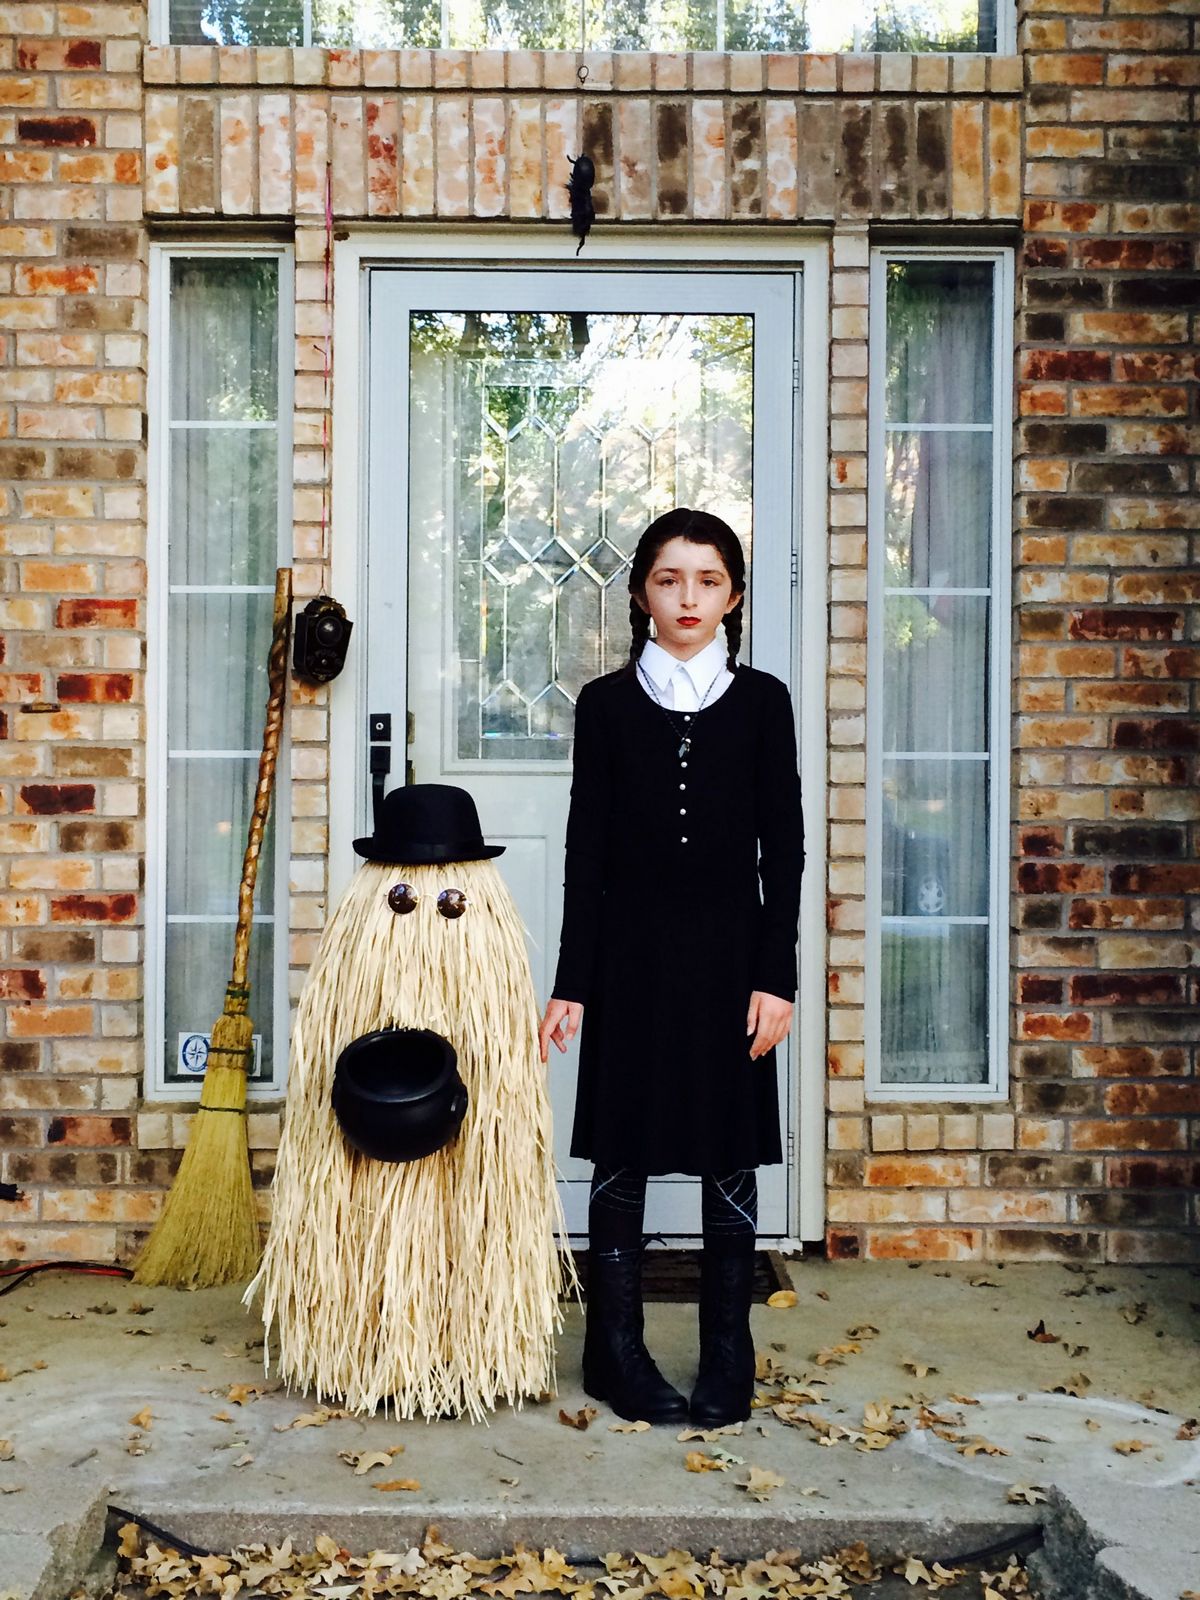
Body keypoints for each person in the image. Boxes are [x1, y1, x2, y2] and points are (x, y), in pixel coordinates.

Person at [538, 506, 804, 1429]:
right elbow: (586, 852)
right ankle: (615, 1350)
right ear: (641, 594)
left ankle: (730, 1350)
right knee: (624, 1150)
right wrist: (572, 981)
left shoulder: (763, 702)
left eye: (708, 580)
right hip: (629, 960)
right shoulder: (605, 707)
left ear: (733, 596)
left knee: (730, 1150)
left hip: (732, 964)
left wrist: (777, 978)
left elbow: (785, 850)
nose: (688, 597)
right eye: (668, 579)